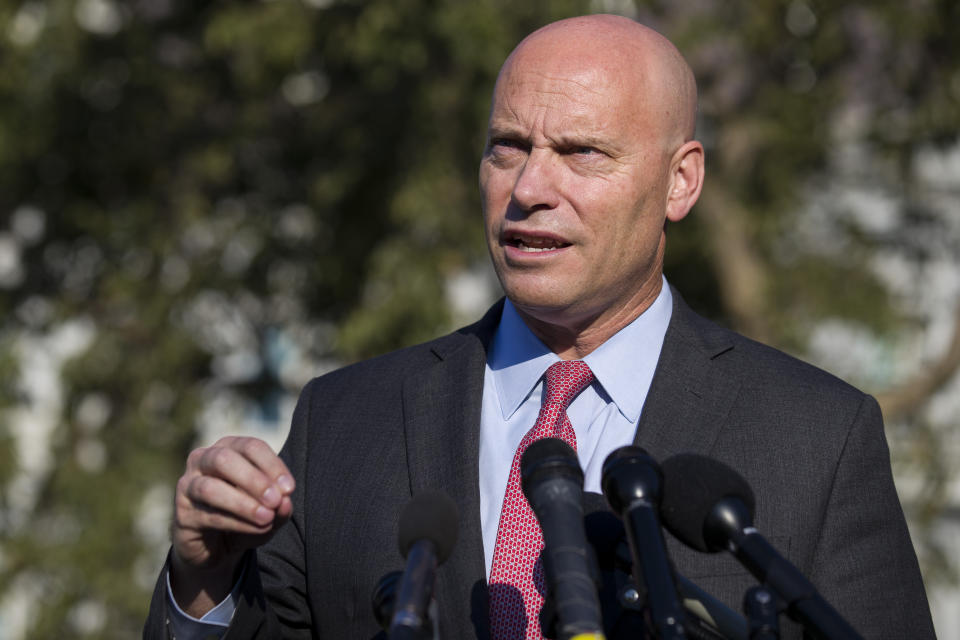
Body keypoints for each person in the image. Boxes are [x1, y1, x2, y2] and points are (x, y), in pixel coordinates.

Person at [144, 14, 935, 640]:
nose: (529, 187)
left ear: (680, 181)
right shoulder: (343, 422)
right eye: (508, 147)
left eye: (582, 153)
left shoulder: (817, 438)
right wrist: (203, 584)